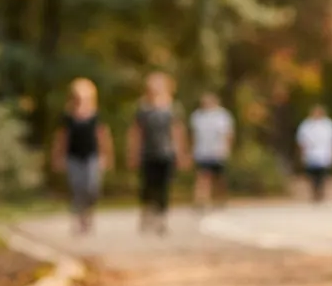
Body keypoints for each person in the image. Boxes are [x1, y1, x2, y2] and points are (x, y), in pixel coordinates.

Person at [127, 72, 190, 234]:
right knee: (148, 186)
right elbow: (136, 132)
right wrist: (133, 153)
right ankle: (147, 213)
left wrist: (181, 153)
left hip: (166, 153)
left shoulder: (172, 108)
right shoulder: (143, 108)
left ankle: (161, 218)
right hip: (148, 153)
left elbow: (177, 131)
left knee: (163, 187)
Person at [50, 78, 114, 235]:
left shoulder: (96, 116)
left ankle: (89, 213)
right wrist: (57, 156)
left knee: (92, 187)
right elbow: (61, 138)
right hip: (74, 157)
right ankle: (79, 218)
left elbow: (103, 137)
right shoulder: (67, 117)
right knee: (77, 188)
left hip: (92, 156)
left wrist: (107, 155)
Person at [189, 92, 235, 212]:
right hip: (202, 152)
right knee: (202, 177)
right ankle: (200, 201)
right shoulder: (197, 116)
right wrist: (192, 149)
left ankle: (220, 200)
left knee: (219, 178)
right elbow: (194, 134)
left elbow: (228, 134)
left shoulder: (222, 116)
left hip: (218, 151)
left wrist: (227, 148)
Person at [295, 105, 332, 203]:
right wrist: (302, 152)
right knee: (312, 175)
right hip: (311, 154)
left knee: (322, 175)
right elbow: (301, 140)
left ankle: (320, 191)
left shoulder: (329, 125)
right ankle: (314, 191)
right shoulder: (306, 125)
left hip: (324, 154)